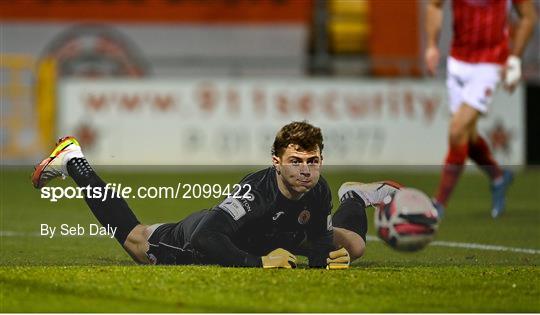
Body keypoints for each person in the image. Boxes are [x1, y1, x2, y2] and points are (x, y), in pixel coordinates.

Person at [33, 121, 394, 268]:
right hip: (204, 235)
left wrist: (323, 261)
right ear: (276, 163)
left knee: (354, 249)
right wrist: (260, 264)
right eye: (295, 161)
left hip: (274, 235)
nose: (305, 169)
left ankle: (355, 198)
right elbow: (208, 237)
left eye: (312, 161)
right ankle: (74, 161)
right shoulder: (254, 194)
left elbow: (317, 240)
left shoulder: (317, 188)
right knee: (135, 239)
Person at [424, 0, 537, 218]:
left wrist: (514, 59)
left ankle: (438, 204)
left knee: (457, 130)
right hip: (457, 61)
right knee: (468, 135)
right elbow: (434, 5)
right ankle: (498, 176)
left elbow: (528, 16)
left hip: (490, 62)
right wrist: (431, 45)